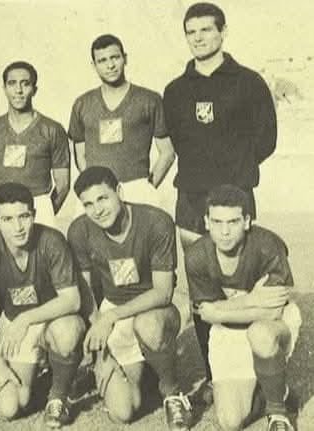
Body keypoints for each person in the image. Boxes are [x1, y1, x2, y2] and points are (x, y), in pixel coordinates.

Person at [163, 2, 277, 399]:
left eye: (206, 30)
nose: (199, 38)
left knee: (240, 285)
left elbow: (266, 140)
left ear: (223, 32)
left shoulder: (248, 82)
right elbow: (178, 140)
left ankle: (251, 371)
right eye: (191, 31)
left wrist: (231, 178)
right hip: (191, 200)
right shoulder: (176, 90)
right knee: (202, 290)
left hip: (235, 197)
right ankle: (215, 374)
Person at [67, 166, 191, 430]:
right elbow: (86, 290)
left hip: (156, 308)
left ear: (119, 192)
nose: (97, 210)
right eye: (88, 204)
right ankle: (141, 375)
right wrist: (97, 327)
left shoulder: (156, 221)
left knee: (148, 326)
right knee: (123, 412)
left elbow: (163, 291)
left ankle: (172, 392)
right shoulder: (80, 230)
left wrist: (110, 317)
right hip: (113, 309)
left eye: (103, 198)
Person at [185, 185, 301, 431]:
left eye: (233, 222)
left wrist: (222, 309)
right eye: (217, 222)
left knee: (260, 333)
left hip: (270, 324)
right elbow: (206, 313)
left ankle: (277, 413)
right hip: (227, 327)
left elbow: (272, 311)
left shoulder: (268, 244)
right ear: (206, 222)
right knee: (230, 422)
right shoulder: (196, 255)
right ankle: (274, 388)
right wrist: (251, 298)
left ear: (247, 221)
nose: (224, 231)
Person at [0, 182, 85, 428]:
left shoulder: (51, 241)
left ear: (34, 214)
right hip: (14, 324)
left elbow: (72, 300)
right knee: (10, 406)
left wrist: (26, 318)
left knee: (67, 332)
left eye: (24, 216)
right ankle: (47, 375)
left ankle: (58, 397)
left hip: (52, 318)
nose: (18, 227)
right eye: (8, 219)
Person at [68, 34, 175, 206]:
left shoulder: (149, 99)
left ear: (125, 59)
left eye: (115, 57)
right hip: (98, 193)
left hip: (137, 189)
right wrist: (93, 187)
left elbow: (168, 152)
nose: (110, 65)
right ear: (93, 65)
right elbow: (80, 154)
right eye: (102, 60)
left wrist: (146, 187)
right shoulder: (82, 104)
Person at [0, 61, 70, 228]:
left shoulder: (52, 130)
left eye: (25, 84)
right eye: (12, 84)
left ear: (34, 89)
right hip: (2, 208)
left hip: (38, 208)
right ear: (4, 88)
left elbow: (63, 184)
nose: (18, 90)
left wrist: (43, 211)